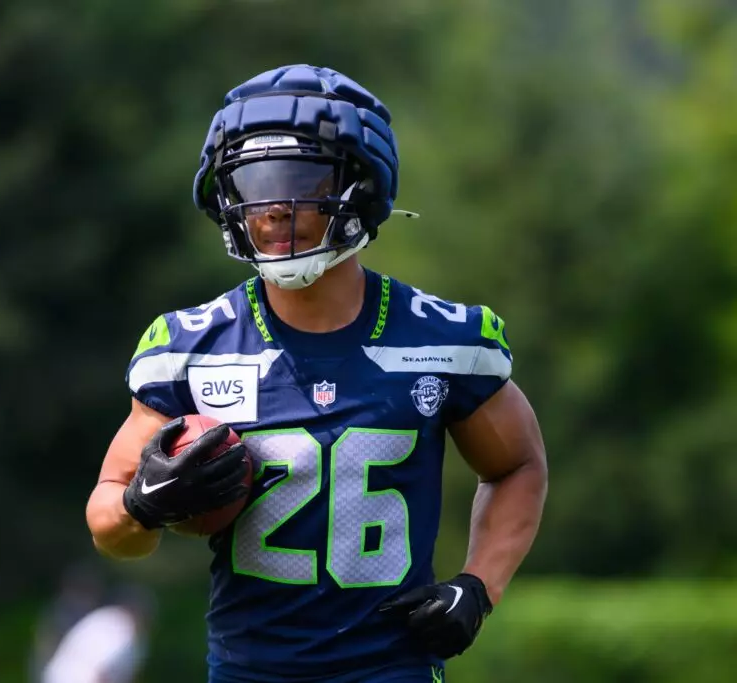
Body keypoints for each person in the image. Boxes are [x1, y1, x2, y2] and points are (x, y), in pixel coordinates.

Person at [85, 64, 548, 683]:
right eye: (251, 183)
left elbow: (519, 465)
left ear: (361, 185)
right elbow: (109, 519)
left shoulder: (444, 337)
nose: (273, 207)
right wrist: (143, 505)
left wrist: (477, 586)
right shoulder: (191, 345)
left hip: (392, 670)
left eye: (298, 178)